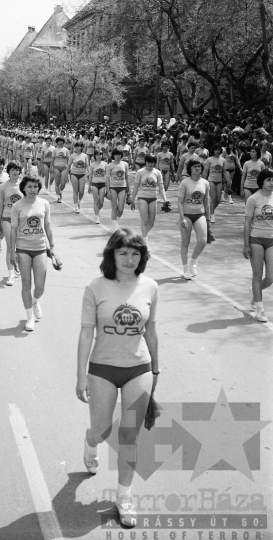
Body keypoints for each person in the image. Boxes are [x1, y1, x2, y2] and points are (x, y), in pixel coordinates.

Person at [76, 228, 159, 529]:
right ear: (112, 254)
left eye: (135, 253)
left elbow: (150, 330)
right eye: (122, 252)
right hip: (102, 369)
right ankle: (90, 439)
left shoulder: (150, 286)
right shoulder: (95, 287)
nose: (129, 258)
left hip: (139, 369)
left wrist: (156, 370)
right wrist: (81, 375)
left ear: (143, 257)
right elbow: (87, 332)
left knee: (129, 436)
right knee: (101, 430)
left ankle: (124, 496)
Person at [10, 176, 54, 332]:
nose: (33, 189)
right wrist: (12, 251)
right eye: (29, 187)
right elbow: (14, 229)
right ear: (23, 188)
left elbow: (47, 225)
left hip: (40, 248)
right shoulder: (17, 206)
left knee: (40, 286)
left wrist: (52, 246)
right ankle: (29, 317)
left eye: (35, 186)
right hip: (23, 248)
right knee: (26, 284)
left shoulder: (44, 204)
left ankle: (35, 301)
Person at [243, 169, 273, 322]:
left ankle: (254, 291)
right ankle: (260, 310)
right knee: (257, 274)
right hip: (256, 239)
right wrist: (246, 244)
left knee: (270, 277)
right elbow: (247, 223)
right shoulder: (253, 199)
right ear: (262, 181)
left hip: (271, 240)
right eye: (268, 179)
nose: (271, 182)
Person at [177, 158, 210, 279]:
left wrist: (208, 217)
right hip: (186, 215)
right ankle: (185, 269)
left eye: (199, 166)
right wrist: (182, 218)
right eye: (195, 166)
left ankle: (193, 261)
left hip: (200, 214)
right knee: (185, 243)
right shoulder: (184, 183)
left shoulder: (205, 183)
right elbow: (180, 202)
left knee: (202, 241)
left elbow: (206, 202)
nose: (197, 168)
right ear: (190, 169)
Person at [130, 155, 167, 247]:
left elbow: (161, 187)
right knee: (145, 220)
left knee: (151, 222)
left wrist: (165, 200)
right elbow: (135, 187)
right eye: (148, 162)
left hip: (153, 198)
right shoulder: (140, 172)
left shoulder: (157, 172)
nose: (150, 164)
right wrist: (132, 200)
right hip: (142, 197)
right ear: (145, 162)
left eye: (152, 162)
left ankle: (142, 236)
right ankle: (145, 244)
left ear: (155, 163)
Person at [0, 163, 23, 286]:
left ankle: (16, 264)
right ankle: (10, 274)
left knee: (19, 245)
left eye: (17, 169)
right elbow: (0, 205)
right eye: (12, 169)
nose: (15, 172)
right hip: (7, 218)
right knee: (10, 245)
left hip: (22, 220)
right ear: (8, 171)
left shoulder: (24, 185)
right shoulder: (3, 186)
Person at [106, 148, 130, 231]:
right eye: (116, 155)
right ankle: (114, 226)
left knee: (121, 208)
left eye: (119, 154)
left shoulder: (125, 164)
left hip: (122, 187)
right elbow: (107, 179)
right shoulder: (109, 166)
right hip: (113, 187)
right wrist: (108, 191)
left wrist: (129, 188)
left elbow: (127, 177)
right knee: (114, 207)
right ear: (113, 156)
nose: (118, 156)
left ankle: (115, 221)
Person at [203, 145, 226, 224]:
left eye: (218, 150)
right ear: (213, 150)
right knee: (213, 198)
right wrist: (203, 180)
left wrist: (226, 179)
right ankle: (211, 216)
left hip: (219, 180)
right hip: (211, 180)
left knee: (218, 199)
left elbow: (224, 171)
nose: (217, 151)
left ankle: (209, 210)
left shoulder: (223, 160)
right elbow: (206, 171)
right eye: (215, 150)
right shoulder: (209, 160)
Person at [87, 150, 108, 224]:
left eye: (100, 155)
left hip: (102, 184)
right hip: (94, 183)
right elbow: (90, 176)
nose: (99, 156)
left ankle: (97, 211)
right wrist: (89, 186)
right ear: (95, 156)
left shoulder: (105, 164)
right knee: (96, 201)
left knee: (101, 202)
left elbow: (107, 176)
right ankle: (97, 216)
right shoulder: (92, 165)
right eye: (97, 155)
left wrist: (108, 187)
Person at [68, 142, 88, 213]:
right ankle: (76, 205)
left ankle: (79, 201)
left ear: (81, 147)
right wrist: (67, 175)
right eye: (75, 146)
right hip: (74, 174)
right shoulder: (72, 156)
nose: (76, 148)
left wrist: (88, 173)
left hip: (82, 174)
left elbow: (87, 165)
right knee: (75, 190)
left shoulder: (85, 156)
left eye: (78, 146)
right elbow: (69, 165)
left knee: (81, 191)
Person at [51, 137, 70, 203]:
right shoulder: (55, 150)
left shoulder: (66, 150)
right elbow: (52, 159)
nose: (60, 142)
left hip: (64, 167)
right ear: (57, 142)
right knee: (57, 182)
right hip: (56, 167)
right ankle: (58, 196)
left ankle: (60, 191)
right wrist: (51, 168)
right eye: (59, 141)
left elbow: (68, 160)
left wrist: (69, 168)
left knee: (63, 183)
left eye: (61, 141)